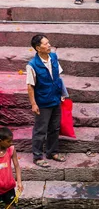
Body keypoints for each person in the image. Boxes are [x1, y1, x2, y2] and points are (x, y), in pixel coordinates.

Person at [26, 34, 67, 167]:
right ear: (38, 48)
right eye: (46, 44)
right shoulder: (32, 65)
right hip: (42, 102)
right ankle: (38, 157)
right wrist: (33, 104)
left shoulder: (54, 57)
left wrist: (62, 93)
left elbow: (58, 77)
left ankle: (52, 152)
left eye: (49, 43)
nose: (49, 45)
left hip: (55, 99)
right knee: (40, 130)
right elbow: (30, 86)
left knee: (54, 128)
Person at [0, 127, 23, 209]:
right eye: (8, 141)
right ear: (0, 140)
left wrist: (19, 182)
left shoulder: (11, 150)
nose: (10, 143)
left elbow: (17, 166)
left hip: (9, 187)